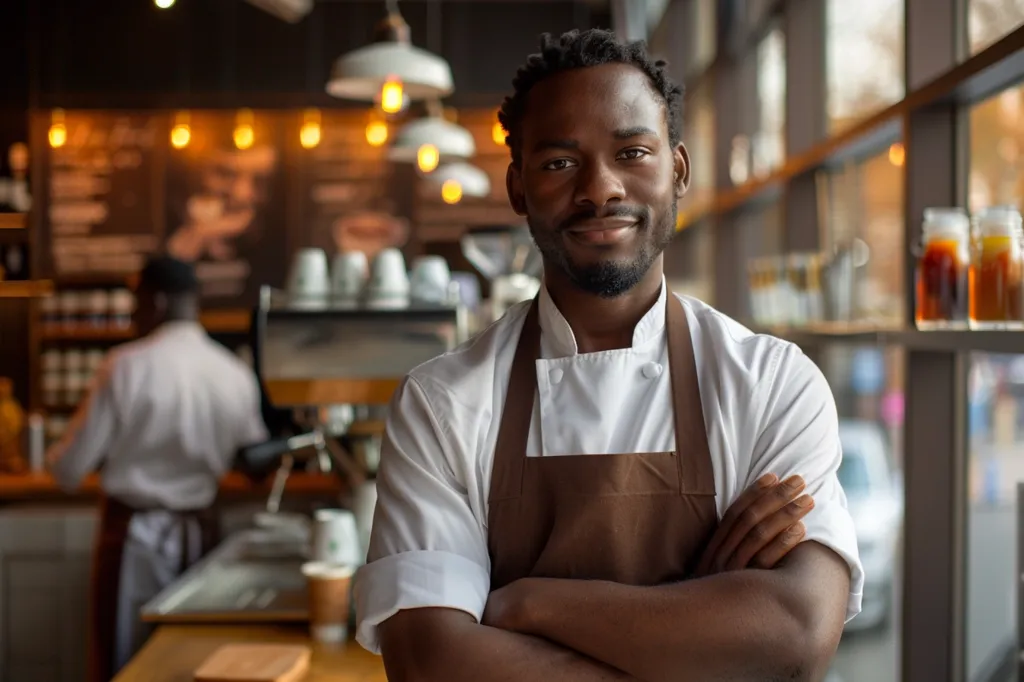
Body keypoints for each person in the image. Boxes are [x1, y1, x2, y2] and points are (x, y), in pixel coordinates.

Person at [355, 28, 863, 682]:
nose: (600, 189)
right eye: (560, 163)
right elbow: (431, 662)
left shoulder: (772, 384)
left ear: (677, 171)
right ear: (518, 188)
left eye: (631, 152)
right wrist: (698, 636)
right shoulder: (443, 402)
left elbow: (794, 638)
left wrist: (527, 602)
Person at [47, 255, 269, 682]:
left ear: (158, 301)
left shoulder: (126, 365)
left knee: (126, 661)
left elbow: (69, 470)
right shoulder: (233, 372)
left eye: (137, 302)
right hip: (200, 540)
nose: (133, 313)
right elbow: (255, 457)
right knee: (195, 662)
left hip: (134, 539)